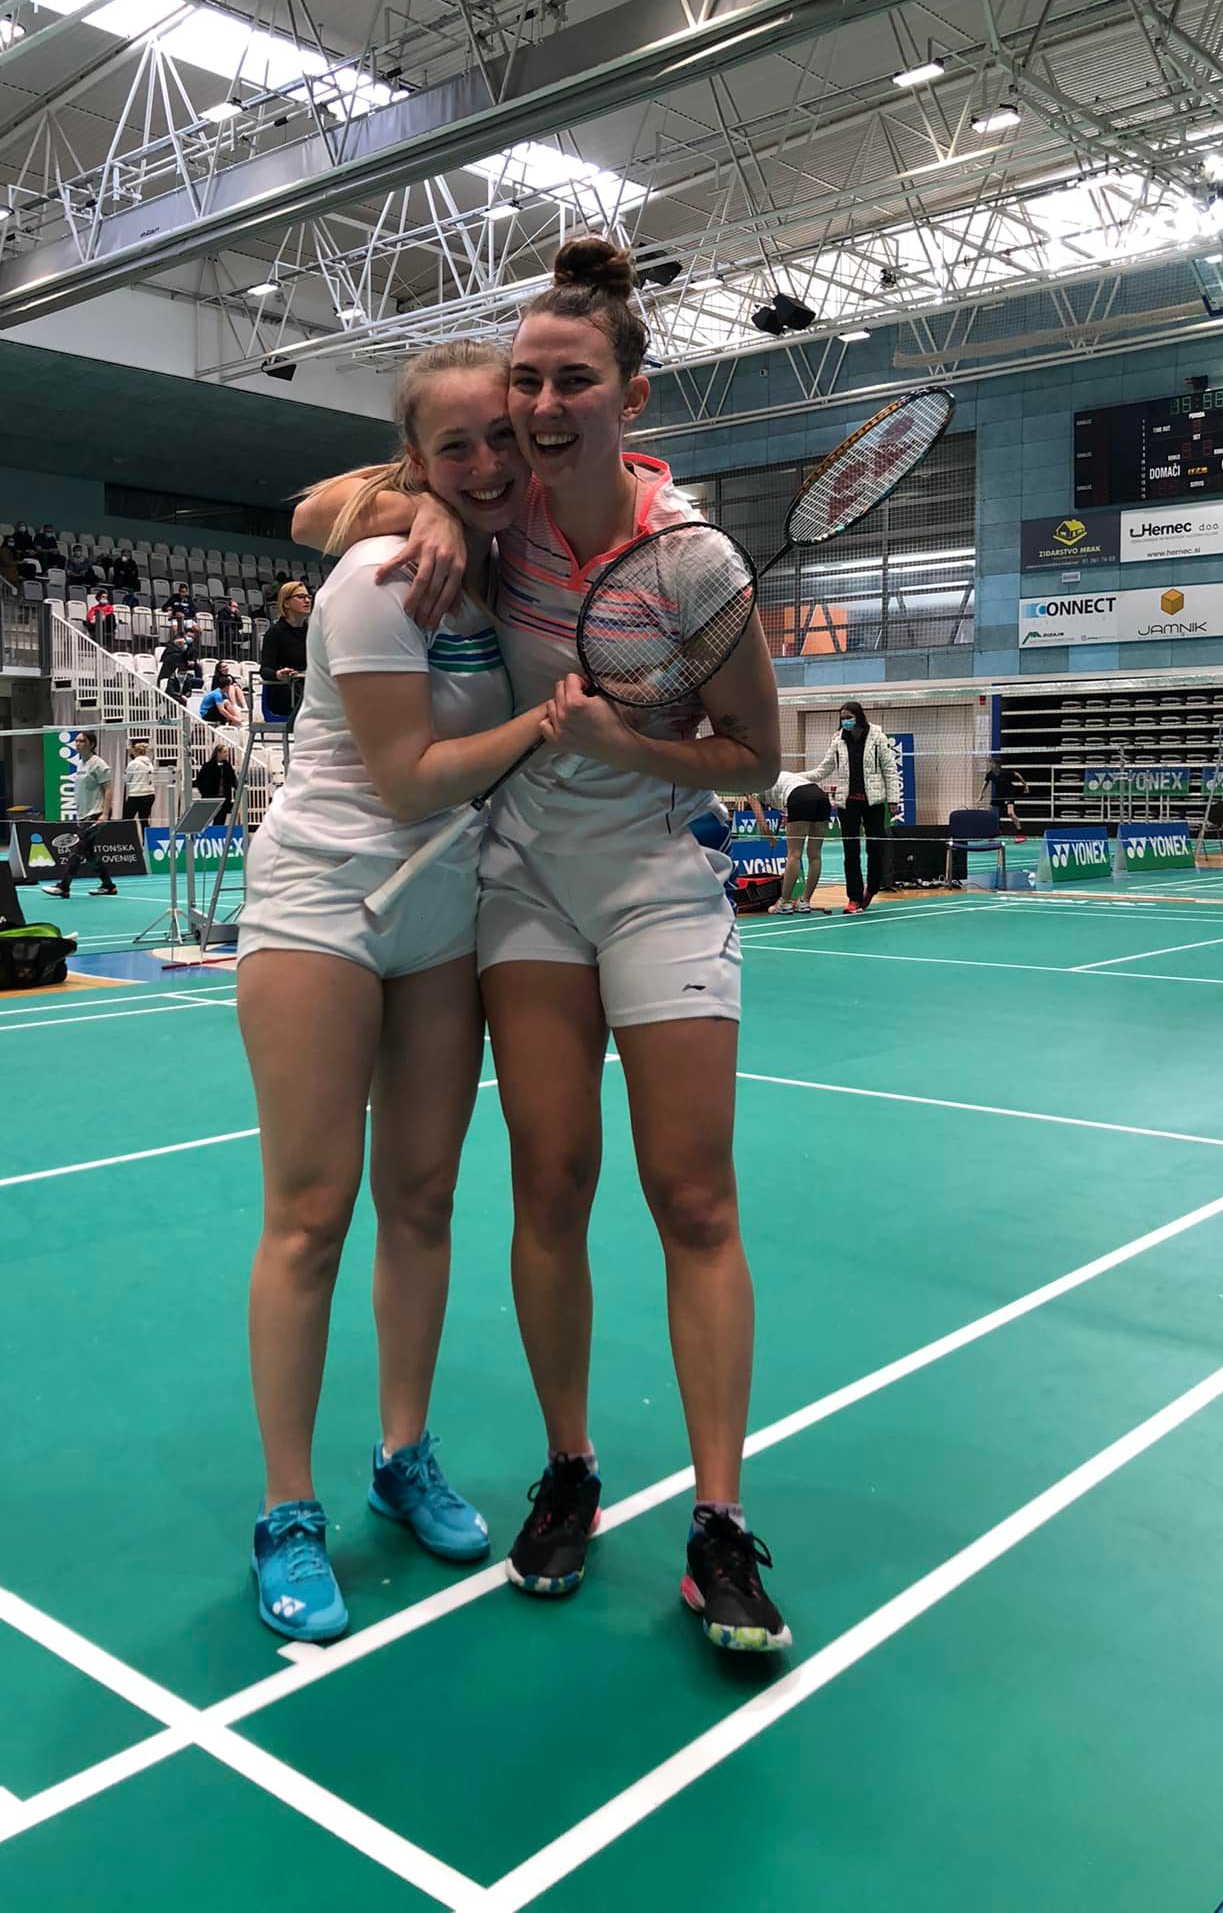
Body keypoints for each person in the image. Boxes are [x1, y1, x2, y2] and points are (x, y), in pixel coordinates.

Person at [294, 238, 789, 1653]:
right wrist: (424, 511)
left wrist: (629, 745)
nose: (544, 404)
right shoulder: (493, 518)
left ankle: (719, 1522)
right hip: (520, 888)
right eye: (527, 382)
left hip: (652, 879)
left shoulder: (695, 559)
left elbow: (755, 757)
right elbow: (318, 508)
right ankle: (570, 1469)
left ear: (632, 396)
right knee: (550, 1181)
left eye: (573, 381)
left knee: (692, 1197)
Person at [237, 340, 550, 1643]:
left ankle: (402, 1453)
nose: (484, 463)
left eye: (501, 437)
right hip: (323, 898)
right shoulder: (380, 575)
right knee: (312, 1212)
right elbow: (409, 775)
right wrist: (548, 722)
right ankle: (286, 1509)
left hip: (442, 908)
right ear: (416, 458)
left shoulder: (515, 562)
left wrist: (440, 506)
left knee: (422, 1197)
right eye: (452, 448)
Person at [800, 701, 902, 913]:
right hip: (848, 804)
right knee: (851, 851)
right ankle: (854, 898)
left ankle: (871, 887)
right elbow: (823, 770)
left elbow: (890, 770)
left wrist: (893, 800)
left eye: (848, 717)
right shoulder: (838, 740)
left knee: (875, 849)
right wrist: (794, 777)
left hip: (874, 802)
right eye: (842, 718)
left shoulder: (877, 737)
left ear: (858, 716)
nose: (845, 721)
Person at [40, 730, 117, 899]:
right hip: (83, 814)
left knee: (77, 849)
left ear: (91, 744)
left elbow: (108, 790)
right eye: (76, 741)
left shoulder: (98, 764)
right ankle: (108, 885)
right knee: (88, 853)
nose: (77, 744)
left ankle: (63, 886)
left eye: (82, 741)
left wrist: (105, 814)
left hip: (95, 813)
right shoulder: (81, 763)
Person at [743, 772, 832, 914]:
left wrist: (770, 838)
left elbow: (762, 823)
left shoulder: (750, 788)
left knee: (794, 855)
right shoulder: (776, 775)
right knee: (815, 855)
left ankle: (784, 902)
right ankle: (804, 901)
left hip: (799, 798)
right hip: (821, 797)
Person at [259, 578, 311, 723]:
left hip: (306, 691)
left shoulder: (312, 632)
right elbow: (265, 670)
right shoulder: (275, 633)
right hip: (284, 694)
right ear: (286, 603)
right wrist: (278, 675)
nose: (307, 600)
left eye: (308, 597)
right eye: (301, 597)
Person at [982, 752, 1028, 839]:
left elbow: (1017, 774)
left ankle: (1021, 834)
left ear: (997, 765)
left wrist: (1025, 785)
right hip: (999, 795)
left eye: (992, 763)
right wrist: (981, 794)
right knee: (991, 813)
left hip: (1009, 794)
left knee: (1010, 813)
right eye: (990, 763)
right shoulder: (990, 774)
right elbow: (985, 783)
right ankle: (996, 831)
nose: (990, 764)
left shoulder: (1005, 772)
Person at [194, 740, 237, 825]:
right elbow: (199, 781)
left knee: (220, 822)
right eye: (225, 752)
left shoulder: (227, 766)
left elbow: (233, 780)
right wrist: (205, 792)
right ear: (218, 753)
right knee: (206, 822)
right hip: (210, 798)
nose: (227, 754)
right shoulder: (207, 766)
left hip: (224, 799)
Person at [200, 662, 248, 730]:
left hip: (215, 710)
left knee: (227, 703)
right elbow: (222, 710)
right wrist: (234, 719)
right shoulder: (217, 694)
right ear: (226, 686)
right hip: (206, 714)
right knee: (226, 703)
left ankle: (238, 720)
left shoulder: (223, 693)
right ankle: (237, 721)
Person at [122, 739, 155, 826]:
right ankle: (146, 835)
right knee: (144, 820)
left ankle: (127, 834)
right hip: (150, 794)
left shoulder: (133, 763)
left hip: (136, 794)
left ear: (135, 751)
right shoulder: (150, 764)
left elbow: (126, 779)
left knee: (126, 819)